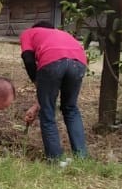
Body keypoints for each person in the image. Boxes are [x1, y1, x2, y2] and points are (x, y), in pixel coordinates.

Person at [19, 22, 88, 161]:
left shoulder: (29, 33)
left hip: (52, 62)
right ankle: (81, 157)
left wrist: (36, 80)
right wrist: (37, 102)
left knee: (48, 112)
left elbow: (28, 58)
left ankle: (55, 159)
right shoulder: (62, 34)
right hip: (79, 63)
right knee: (71, 108)